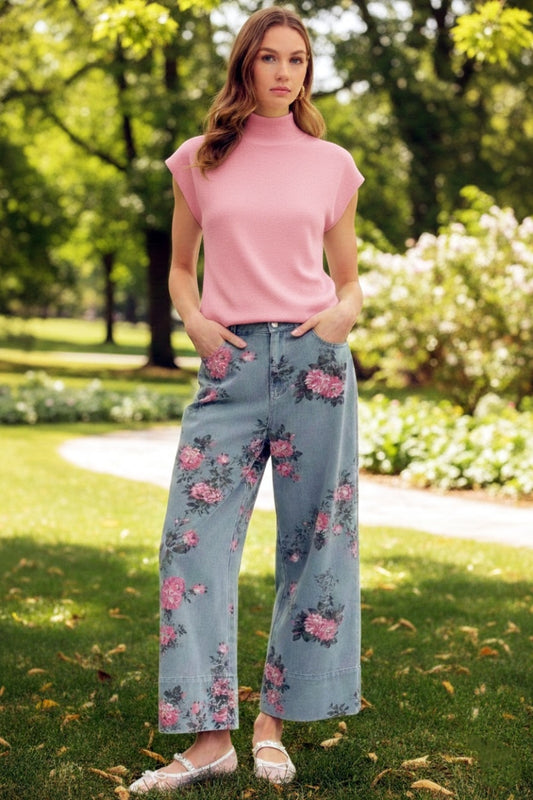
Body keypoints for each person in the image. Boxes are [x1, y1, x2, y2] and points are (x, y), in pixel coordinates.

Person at [129, 5, 364, 793]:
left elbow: (350, 277)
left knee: (314, 541)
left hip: (312, 365)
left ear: (307, 71)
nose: (284, 72)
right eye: (269, 58)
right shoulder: (198, 159)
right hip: (226, 368)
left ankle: (271, 725)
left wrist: (338, 317)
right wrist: (193, 321)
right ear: (245, 66)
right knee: (188, 545)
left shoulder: (332, 163)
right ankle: (207, 738)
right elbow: (178, 268)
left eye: (297, 59)